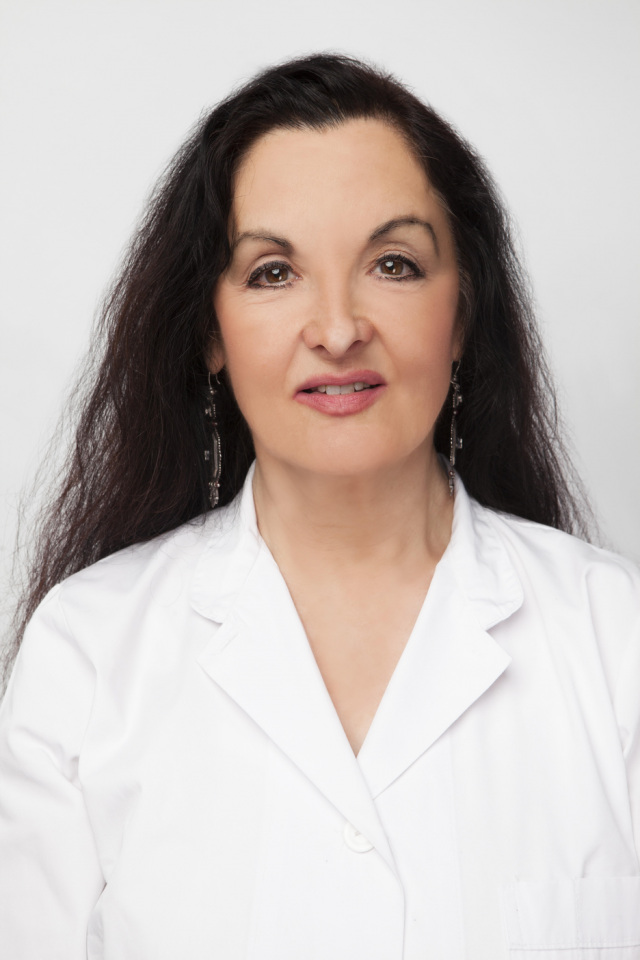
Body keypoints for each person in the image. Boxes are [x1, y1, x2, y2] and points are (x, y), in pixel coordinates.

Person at [0, 53, 638, 960]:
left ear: (463, 314)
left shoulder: (615, 641)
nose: (338, 330)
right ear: (210, 331)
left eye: (393, 263)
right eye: (272, 273)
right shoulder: (89, 655)